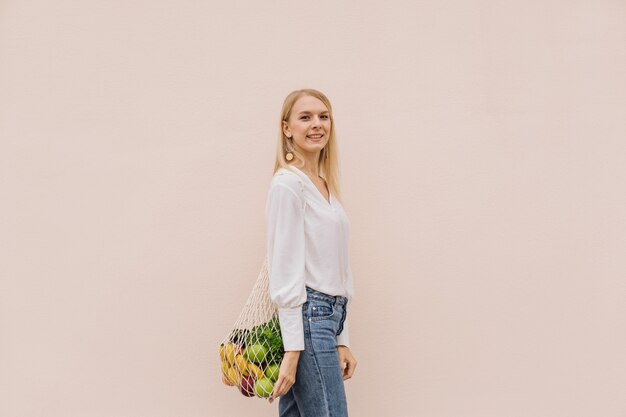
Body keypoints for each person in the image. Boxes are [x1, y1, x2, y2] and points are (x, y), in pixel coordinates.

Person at [265, 88, 357, 417]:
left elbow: (336, 266)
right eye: (305, 117)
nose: (316, 124)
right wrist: (293, 349)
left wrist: (341, 336)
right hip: (308, 318)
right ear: (287, 128)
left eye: (323, 116)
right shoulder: (288, 184)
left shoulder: (323, 183)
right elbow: (284, 266)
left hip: (327, 319)